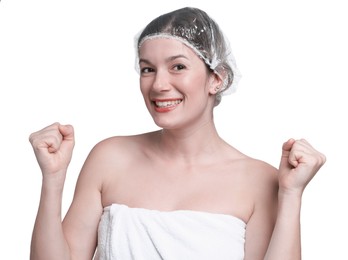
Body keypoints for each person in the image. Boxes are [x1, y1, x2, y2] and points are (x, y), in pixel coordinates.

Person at [29, 7, 326, 260]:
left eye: (178, 66)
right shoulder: (110, 158)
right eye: (147, 69)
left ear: (217, 78)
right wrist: (53, 180)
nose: (158, 84)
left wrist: (291, 194)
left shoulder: (259, 180)